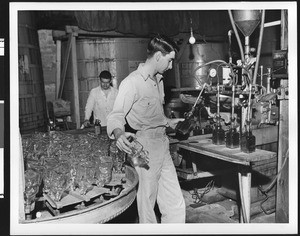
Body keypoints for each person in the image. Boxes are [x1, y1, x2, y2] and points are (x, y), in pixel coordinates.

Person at [107, 35, 186, 223]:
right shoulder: (132, 82)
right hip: (143, 148)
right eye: (170, 60)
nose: (171, 66)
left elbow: (153, 116)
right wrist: (118, 133)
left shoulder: (158, 80)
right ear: (158, 56)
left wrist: (168, 122)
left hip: (162, 144)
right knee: (147, 204)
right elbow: (116, 115)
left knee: (175, 203)